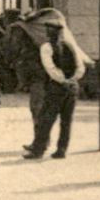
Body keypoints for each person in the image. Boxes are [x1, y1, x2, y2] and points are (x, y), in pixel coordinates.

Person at [22, 13, 91, 160]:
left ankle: (38, 150)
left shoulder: (46, 47)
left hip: (56, 87)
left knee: (46, 119)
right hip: (73, 87)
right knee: (66, 121)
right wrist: (72, 80)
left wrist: (62, 81)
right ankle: (62, 150)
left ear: (49, 32)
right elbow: (80, 67)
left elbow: (50, 68)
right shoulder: (70, 46)